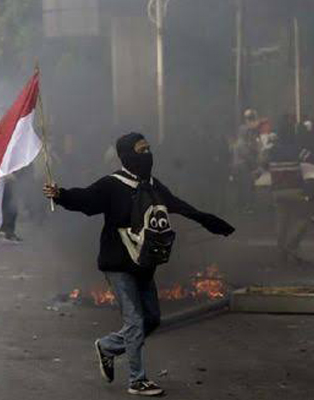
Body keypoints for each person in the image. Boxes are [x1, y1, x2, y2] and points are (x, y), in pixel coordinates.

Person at [43, 132, 235, 397]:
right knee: (134, 320)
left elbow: (178, 205)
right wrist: (60, 194)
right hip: (117, 263)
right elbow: (85, 199)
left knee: (152, 319)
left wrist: (209, 221)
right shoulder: (112, 184)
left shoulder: (153, 186)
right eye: (140, 150)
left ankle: (108, 346)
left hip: (144, 262)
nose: (147, 155)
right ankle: (137, 379)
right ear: (126, 155)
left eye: (148, 150)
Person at [268, 116, 314, 263]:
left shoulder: (272, 150)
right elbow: (311, 159)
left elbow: (262, 164)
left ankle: (281, 253)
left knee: (281, 223)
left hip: (277, 192)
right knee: (304, 218)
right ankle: (291, 245)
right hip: (295, 191)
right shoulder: (297, 149)